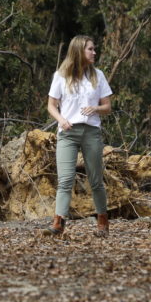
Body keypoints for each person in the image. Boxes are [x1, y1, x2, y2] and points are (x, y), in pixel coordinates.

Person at [46, 35, 113, 237]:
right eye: (90, 49)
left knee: (95, 180)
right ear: (78, 51)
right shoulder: (61, 75)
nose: (94, 52)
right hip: (68, 132)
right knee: (65, 179)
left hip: (91, 132)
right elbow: (51, 105)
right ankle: (58, 222)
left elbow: (108, 107)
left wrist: (96, 108)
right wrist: (61, 119)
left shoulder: (98, 75)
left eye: (94, 49)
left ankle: (102, 221)